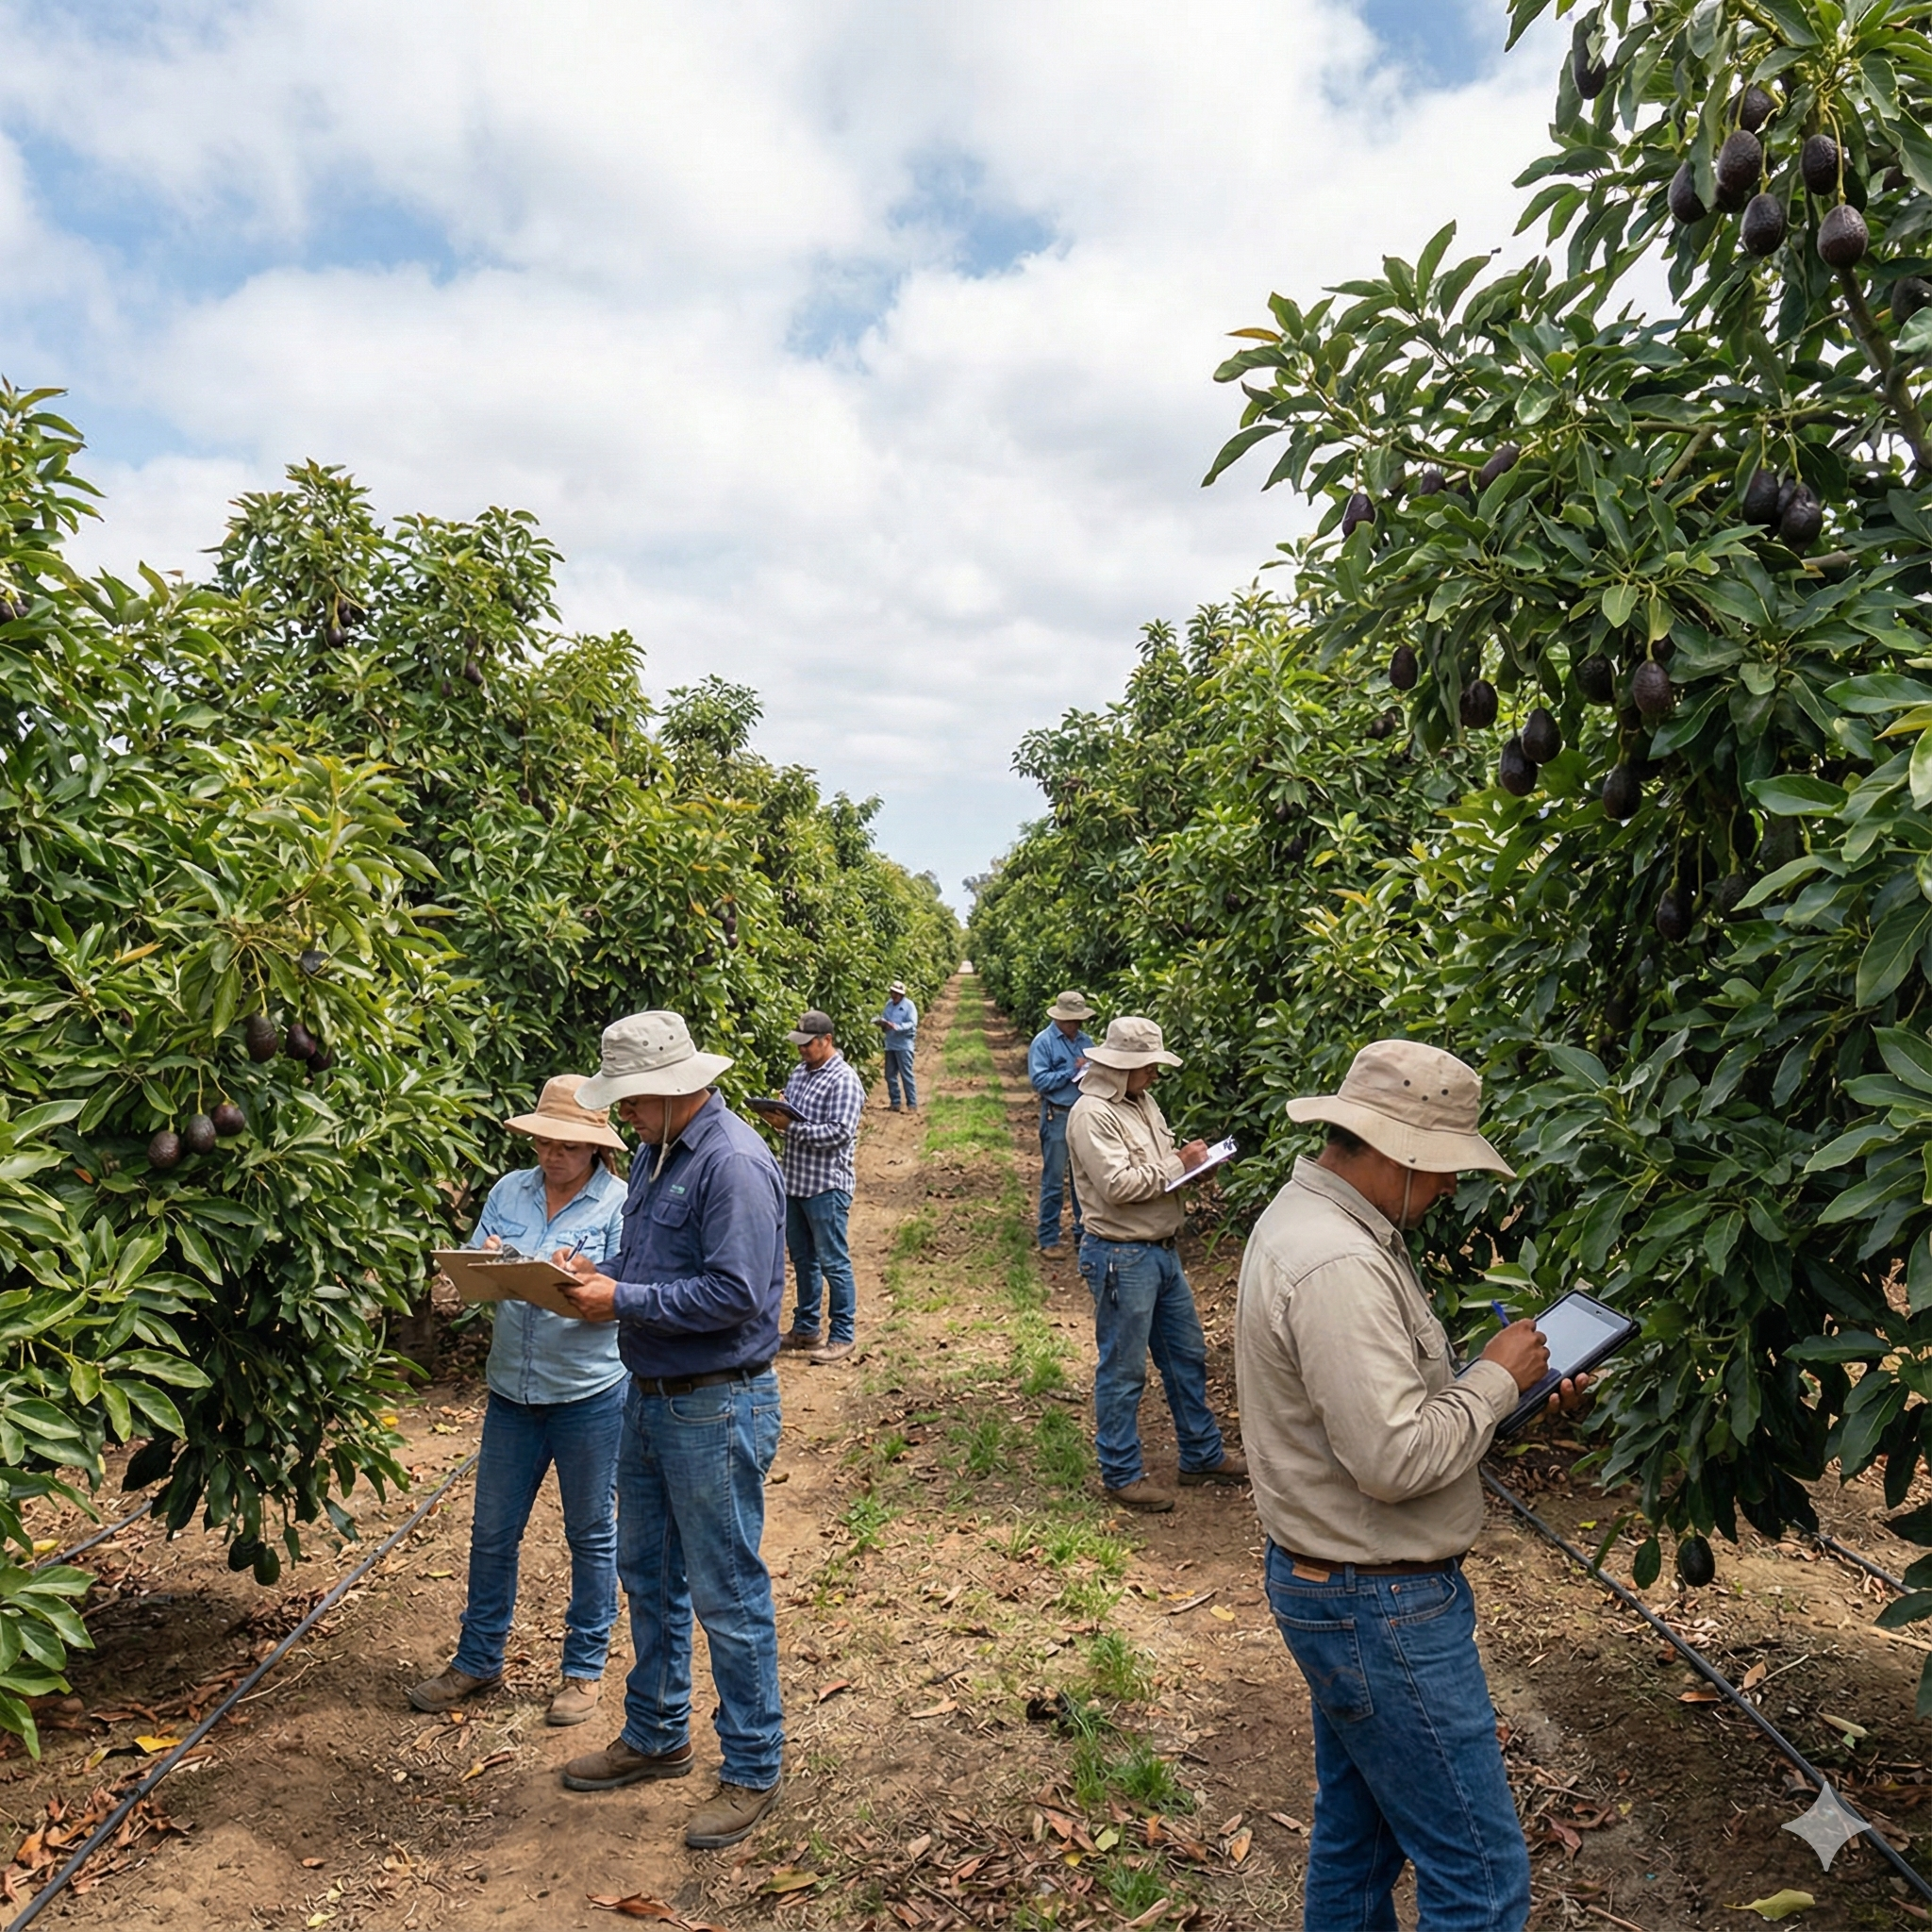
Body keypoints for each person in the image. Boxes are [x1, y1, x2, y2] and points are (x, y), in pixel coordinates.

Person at [1234, 1040, 1590, 1932]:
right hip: (1378, 1604)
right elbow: (1393, 1461)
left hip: (1342, 1589)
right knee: (1481, 1876)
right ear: (1399, 1155)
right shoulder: (1341, 1265)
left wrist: (1510, 1394)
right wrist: (1496, 1378)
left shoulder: (1322, 1224)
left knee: (1358, 1845)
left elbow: (1384, 1414)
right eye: (1439, 1173)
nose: (1446, 1193)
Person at [551, 1010, 788, 1852]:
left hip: (713, 1404)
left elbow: (739, 1294)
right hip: (647, 1397)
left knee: (726, 1588)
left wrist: (626, 1301)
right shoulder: (657, 1155)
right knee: (648, 1575)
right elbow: (659, 1270)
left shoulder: (732, 1163)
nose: (620, 1119)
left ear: (667, 1089)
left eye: (629, 1101)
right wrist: (601, 1277)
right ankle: (656, 1732)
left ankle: (755, 1766)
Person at [409, 1076, 629, 1728]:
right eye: (544, 1140)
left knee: (590, 1532)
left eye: (568, 1143)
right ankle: (478, 1659)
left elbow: (627, 1290)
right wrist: (486, 1265)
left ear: (595, 1148)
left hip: (588, 1390)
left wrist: (587, 1280)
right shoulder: (510, 1190)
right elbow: (482, 1255)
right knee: (492, 1530)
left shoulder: (619, 1204)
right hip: (512, 1388)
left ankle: (584, 1669)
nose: (553, 1153)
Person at [1065, 1015, 1246, 1512]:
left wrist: (1195, 1172)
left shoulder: (1143, 1102)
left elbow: (1158, 1173)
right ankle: (1121, 1473)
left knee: (1186, 1356)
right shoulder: (1091, 1114)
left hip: (1161, 1252)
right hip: (1122, 1256)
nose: (1155, 1077)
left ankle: (1200, 1454)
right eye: (1149, 1067)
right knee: (1123, 1372)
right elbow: (1118, 1186)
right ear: (1125, 1066)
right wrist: (1178, 1165)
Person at [772, 1008, 866, 1365]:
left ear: (827, 1041)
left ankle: (843, 1334)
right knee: (803, 1260)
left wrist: (790, 1127)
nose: (802, 1051)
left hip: (826, 1185)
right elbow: (795, 1115)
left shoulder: (844, 1080)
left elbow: (839, 1132)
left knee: (833, 1262)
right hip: (795, 1182)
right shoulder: (799, 1073)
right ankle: (806, 1328)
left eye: (808, 1045)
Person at [1028, 991, 1096, 1254]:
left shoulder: (1085, 1042)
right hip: (1057, 1115)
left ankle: (1083, 1236)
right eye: (1071, 1021)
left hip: (1083, 1114)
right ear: (1059, 1018)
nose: (1075, 1026)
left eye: (1079, 1021)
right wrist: (1073, 1072)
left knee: (1084, 1179)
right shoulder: (1043, 1043)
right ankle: (1048, 1238)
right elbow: (1040, 1081)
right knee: (1054, 1179)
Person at [878, 979, 919, 1111]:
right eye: (892, 992)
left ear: (902, 995)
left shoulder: (909, 1006)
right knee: (889, 1075)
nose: (893, 995)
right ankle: (895, 1103)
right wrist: (884, 1025)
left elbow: (912, 1023)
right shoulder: (889, 1005)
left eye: (896, 993)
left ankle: (912, 1104)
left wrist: (897, 1027)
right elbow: (885, 1018)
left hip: (904, 1045)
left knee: (906, 1074)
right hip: (890, 1044)